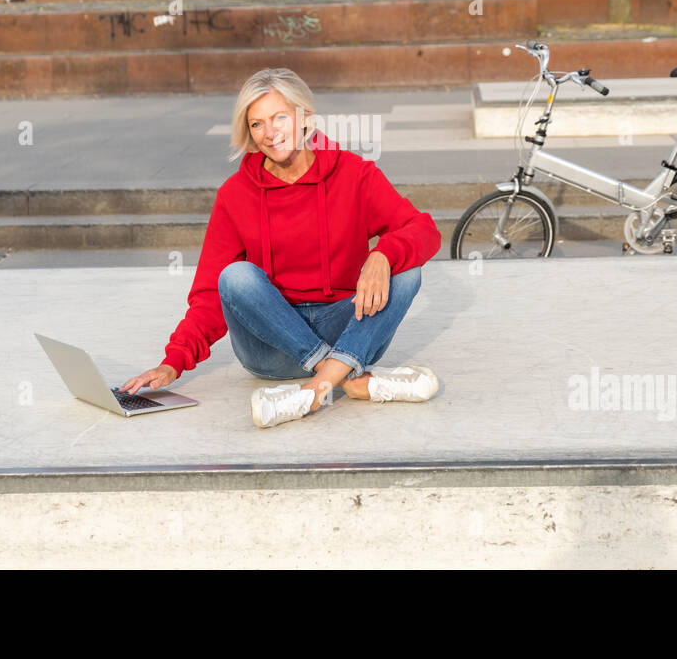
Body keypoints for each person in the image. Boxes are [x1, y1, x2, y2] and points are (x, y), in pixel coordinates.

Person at [122, 68, 442, 428]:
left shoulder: (354, 174)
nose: (270, 133)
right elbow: (212, 292)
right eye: (257, 124)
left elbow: (424, 229)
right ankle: (343, 376)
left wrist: (382, 255)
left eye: (279, 118)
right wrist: (173, 361)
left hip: (343, 327)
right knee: (236, 277)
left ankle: (319, 386)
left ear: (304, 117)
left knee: (407, 271)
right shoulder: (235, 194)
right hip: (270, 346)